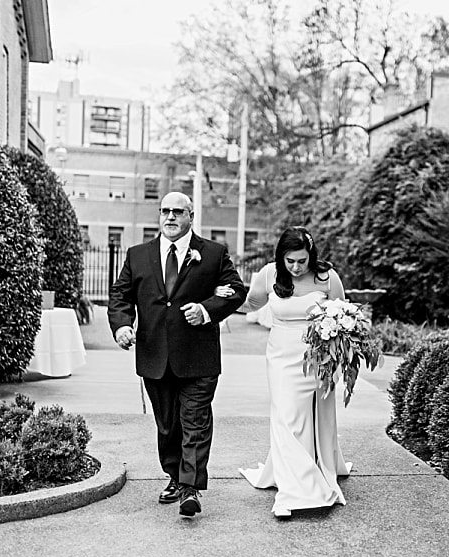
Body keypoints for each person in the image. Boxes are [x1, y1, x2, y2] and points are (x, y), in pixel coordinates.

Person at [108, 192, 247, 518]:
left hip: (198, 357)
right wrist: (122, 326)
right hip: (155, 356)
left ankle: (190, 488)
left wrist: (207, 309)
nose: (170, 217)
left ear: (190, 216)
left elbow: (236, 291)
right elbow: (120, 296)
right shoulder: (138, 255)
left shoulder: (212, 253)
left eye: (177, 212)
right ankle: (174, 476)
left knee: (195, 421)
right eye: (165, 211)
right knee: (168, 425)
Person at [239, 226, 351, 518]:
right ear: (281, 258)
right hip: (280, 356)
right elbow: (251, 303)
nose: (296, 267)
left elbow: (343, 312)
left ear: (311, 256)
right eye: (290, 261)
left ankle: (320, 464)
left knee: (315, 416)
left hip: (317, 357)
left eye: (302, 260)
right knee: (286, 417)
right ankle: (294, 490)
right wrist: (222, 296)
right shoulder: (268, 274)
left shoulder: (327, 277)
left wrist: (337, 356)